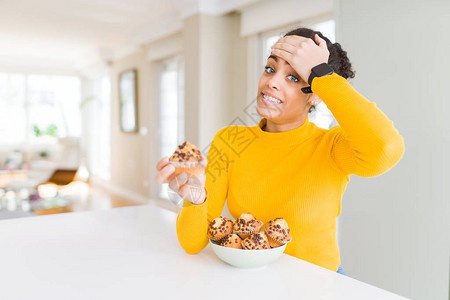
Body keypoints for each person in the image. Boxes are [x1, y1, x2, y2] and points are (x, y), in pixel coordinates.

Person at [155, 27, 404, 274]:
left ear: (315, 95)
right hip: (250, 281)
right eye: (270, 69)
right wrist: (197, 198)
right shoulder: (230, 140)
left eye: (294, 77)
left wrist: (322, 75)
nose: (271, 82)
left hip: (319, 286)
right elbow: (191, 243)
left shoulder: (332, 146)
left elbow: (386, 148)